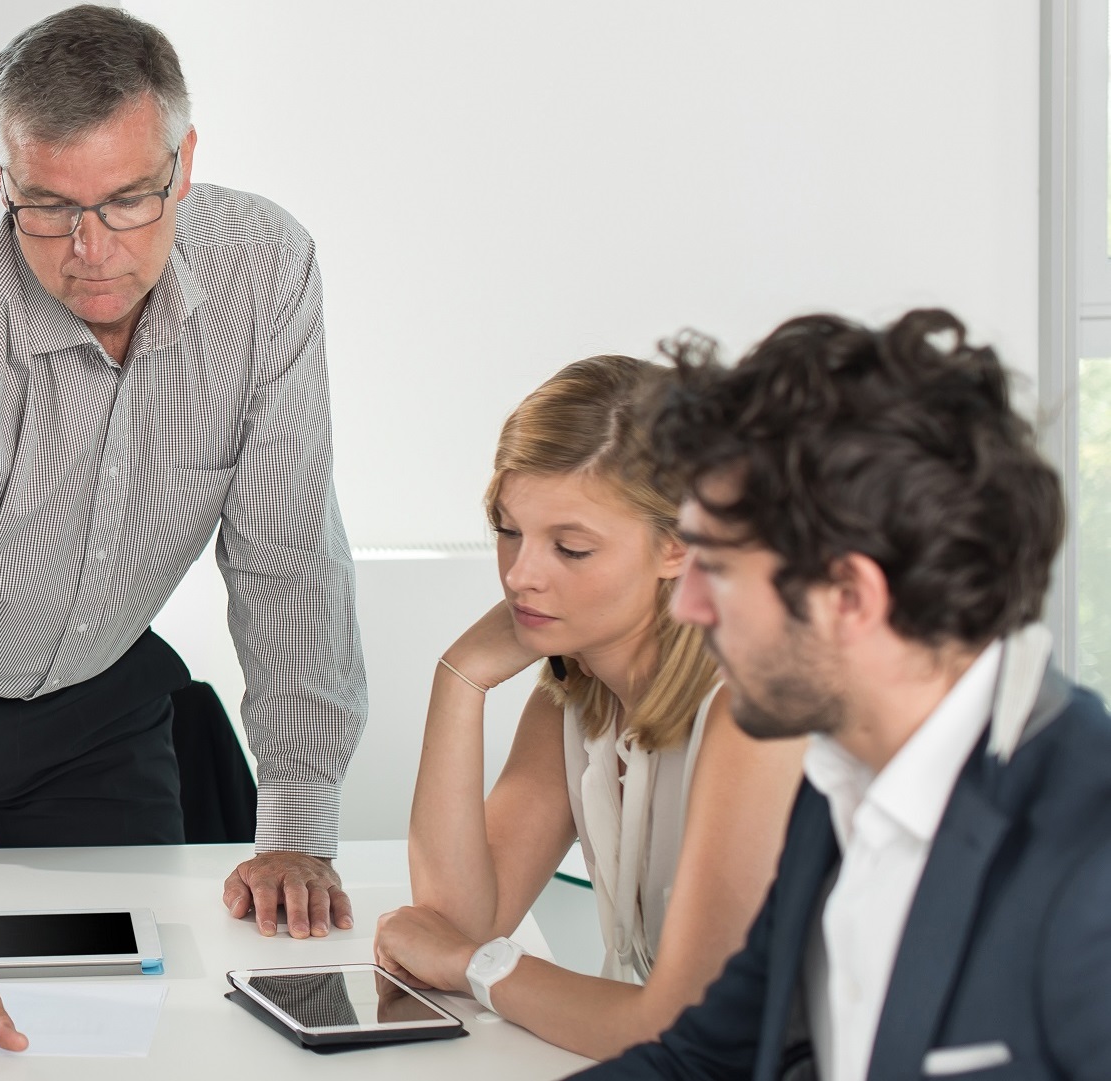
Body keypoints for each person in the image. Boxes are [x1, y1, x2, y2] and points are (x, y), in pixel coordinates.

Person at [0, 8, 365, 1081]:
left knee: (151, 1016)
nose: (90, 251)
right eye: (47, 206)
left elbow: (287, 555)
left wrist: (298, 825)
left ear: (184, 165)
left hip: (94, 686)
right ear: (2, 175)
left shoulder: (265, 273)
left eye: (128, 201)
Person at [576, 310, 1111, 1080]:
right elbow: (703, 1061)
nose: (687, 603)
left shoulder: (1090, 855)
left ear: (850, 595)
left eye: (717, 568)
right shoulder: (837, 786)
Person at [370, 356, 805, 1059]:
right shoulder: (578, 697)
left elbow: (686, 1027)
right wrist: (460, 677)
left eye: (570, 547)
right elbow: (451, 922)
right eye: (508, 529)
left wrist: (476, 967)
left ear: (677, 546)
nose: (520, 575)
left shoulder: (748, 711)